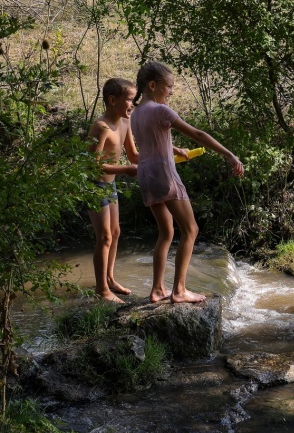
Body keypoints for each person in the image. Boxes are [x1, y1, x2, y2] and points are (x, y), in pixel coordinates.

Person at [130, 61, 244, 303]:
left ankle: (157, 289)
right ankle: (179, 290)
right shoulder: (162, 111)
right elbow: (198, 135)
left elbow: (151, 140)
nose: (171, 91)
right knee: (191, 229)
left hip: (146, 175)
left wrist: (173, 148)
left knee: (166, 232)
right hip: (164, 174)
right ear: (153, 85)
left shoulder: (137, 112)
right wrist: (229, 154)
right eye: (169, 87)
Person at [87, 78, 140, 302]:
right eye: (130, 100)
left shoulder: (125, 123)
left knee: (115, 233)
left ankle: (109, 278)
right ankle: (102, 290)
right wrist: (125, 169)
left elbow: (135, 155)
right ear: (112, 100)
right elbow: (90, 165)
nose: (133, 105)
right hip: (94, 186)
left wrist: (165, 155)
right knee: (105, 236)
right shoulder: (101, 127)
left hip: (110, 184)